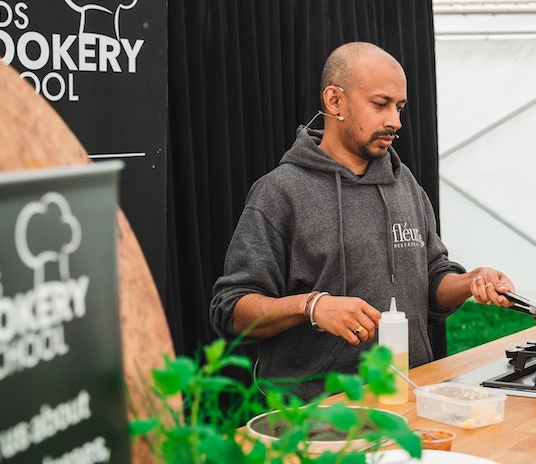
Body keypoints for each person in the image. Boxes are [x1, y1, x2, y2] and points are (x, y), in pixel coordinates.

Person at [210, 41, 514, 400]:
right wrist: (312, 306)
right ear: (334, 101)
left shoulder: (407, 186)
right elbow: (230, 310)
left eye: (399, 107)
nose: (395, 122)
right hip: (314, 415)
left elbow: (431, 283)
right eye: (380, 104)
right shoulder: (279, 193)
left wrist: (468, 281)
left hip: (408, 399)